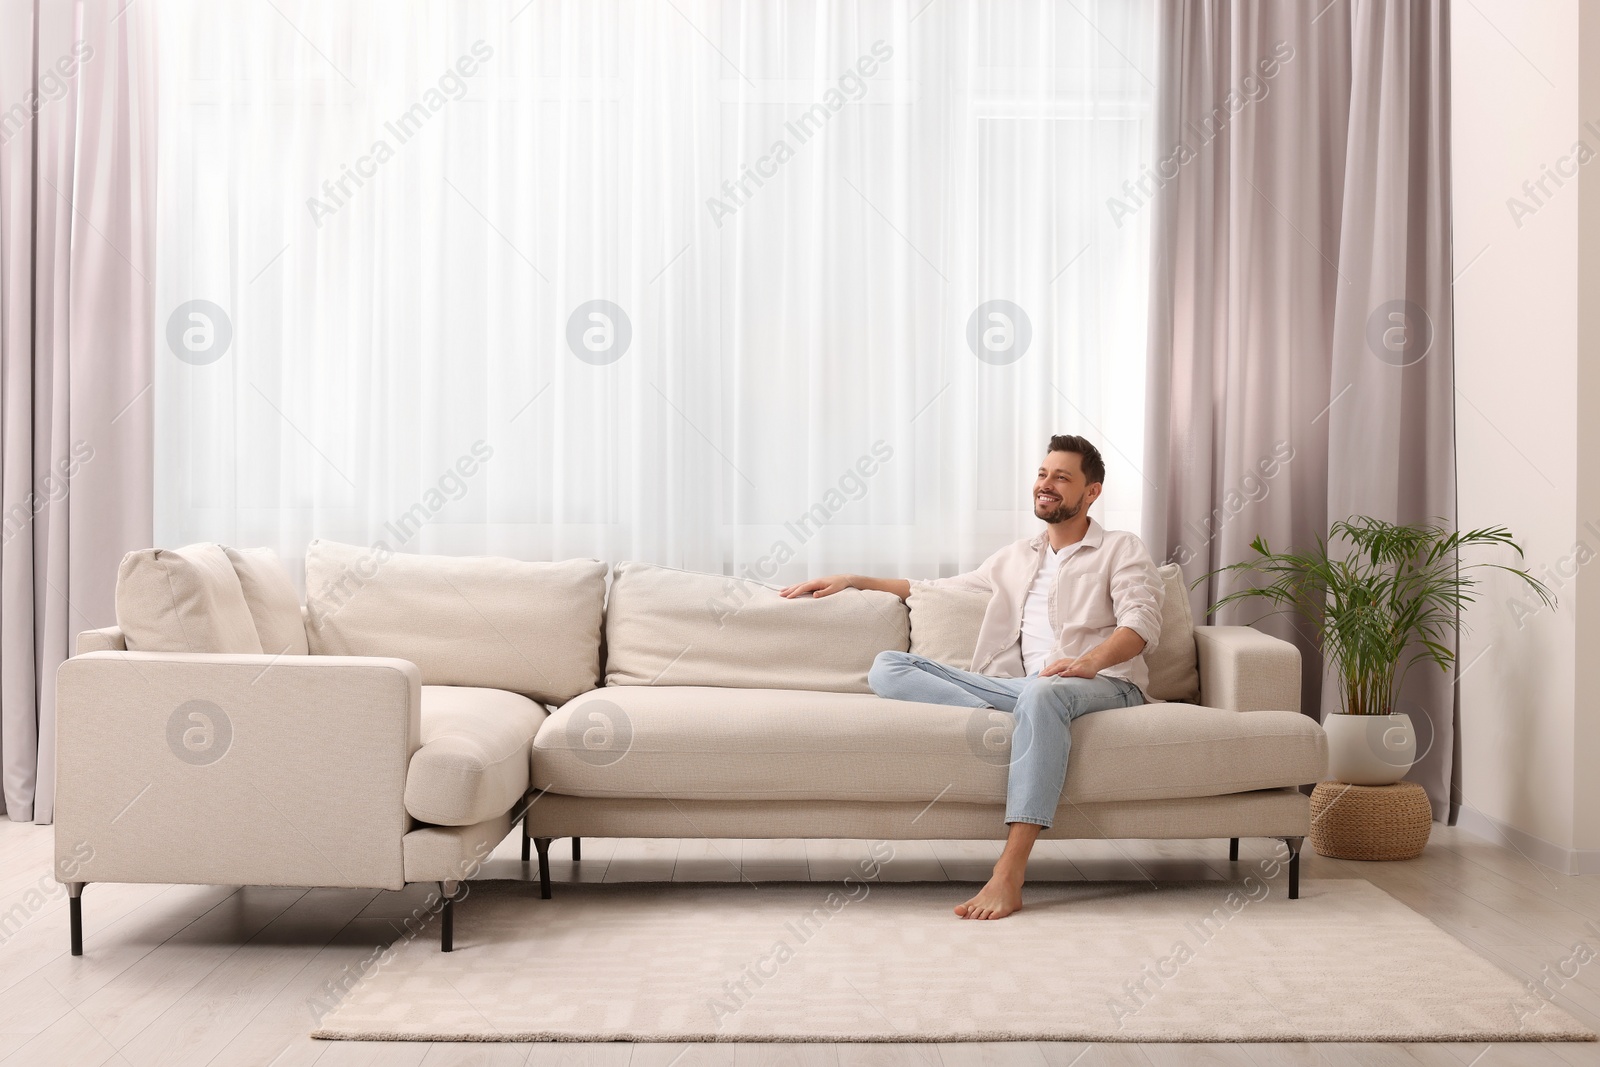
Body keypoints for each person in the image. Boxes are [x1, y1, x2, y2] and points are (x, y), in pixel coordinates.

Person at [780, 434, 1163, 920]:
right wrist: (856, 579)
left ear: (1092, 493)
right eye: (1043, 474)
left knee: (1043, 696)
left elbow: (1142, 622)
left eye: (1062, 478)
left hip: (1108, 685)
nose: (1046, 485)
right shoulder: (1016, 556)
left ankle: (1009, 872)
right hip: (1028, 688)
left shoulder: (1121, 549)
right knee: (888, 666)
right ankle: (1019, 711)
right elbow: (934, 589)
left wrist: (1091, 660)